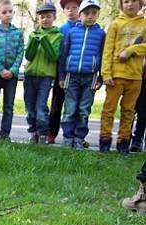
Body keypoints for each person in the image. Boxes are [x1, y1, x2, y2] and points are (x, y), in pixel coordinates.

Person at [100, 0, 146, 153]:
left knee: (128, 111)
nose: (130, 4)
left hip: (135, 76)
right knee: (109, 109)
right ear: (121, 5)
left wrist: (132, 50)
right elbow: (107, 51)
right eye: (126, 1)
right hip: (116, 75)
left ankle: (123, 142)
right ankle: (105, 140)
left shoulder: (144, 24)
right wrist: (106, 73)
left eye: (134, 1)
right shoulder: (115, 24)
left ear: (140, 5)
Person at [58, 0, 105, 149]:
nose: (90, 16)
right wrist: (61, 76)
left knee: (84, 109)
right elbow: (64, 54)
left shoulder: (101, 33)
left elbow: (104, 56)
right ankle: (67, 137)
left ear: (98, 14)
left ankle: (79, 137)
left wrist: (100, 78)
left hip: (90, 76)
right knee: (70, 108)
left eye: (93, 13)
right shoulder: (72, 32)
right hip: (71, 76)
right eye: (86, 13)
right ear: (80, 14)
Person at [0, 0, 24, 141]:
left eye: (10, 11)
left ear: (13, 13)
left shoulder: (18, 33)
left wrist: (12, 70)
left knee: (8, 106)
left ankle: (5, 135)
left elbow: (20, 53)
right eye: (4, 12)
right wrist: (0, 69)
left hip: (11, 77)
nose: (7, 14)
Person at [23, 2, 63, 144]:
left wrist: (45, 40)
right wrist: (34, 41)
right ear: (38, 19)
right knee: (29, 106)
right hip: (30, 75)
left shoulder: (57, 35)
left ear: (54, 17)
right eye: (42, 17)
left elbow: (54, 56)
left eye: (48, 16)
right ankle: (33, 132)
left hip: (46, 76)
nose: (45, 19)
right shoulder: (33, 34)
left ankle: (43, 134)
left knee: (41, 106)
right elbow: (28, 55)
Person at [48, 0, 82, 144]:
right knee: (57, 103)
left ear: (79, 10)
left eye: (74, 7)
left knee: (76, 106)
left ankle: (75, 135)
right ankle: (51, 133)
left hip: (78, 73)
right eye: (68, 8)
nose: (71, 10)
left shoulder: (84, 28)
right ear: (63, 11)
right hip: (61, 73)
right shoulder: (61, 30)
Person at [130, 60, 146, 152]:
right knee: (129, 109)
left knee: (143, 113)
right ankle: (125, 138)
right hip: (133, 78)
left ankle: (137, 139)